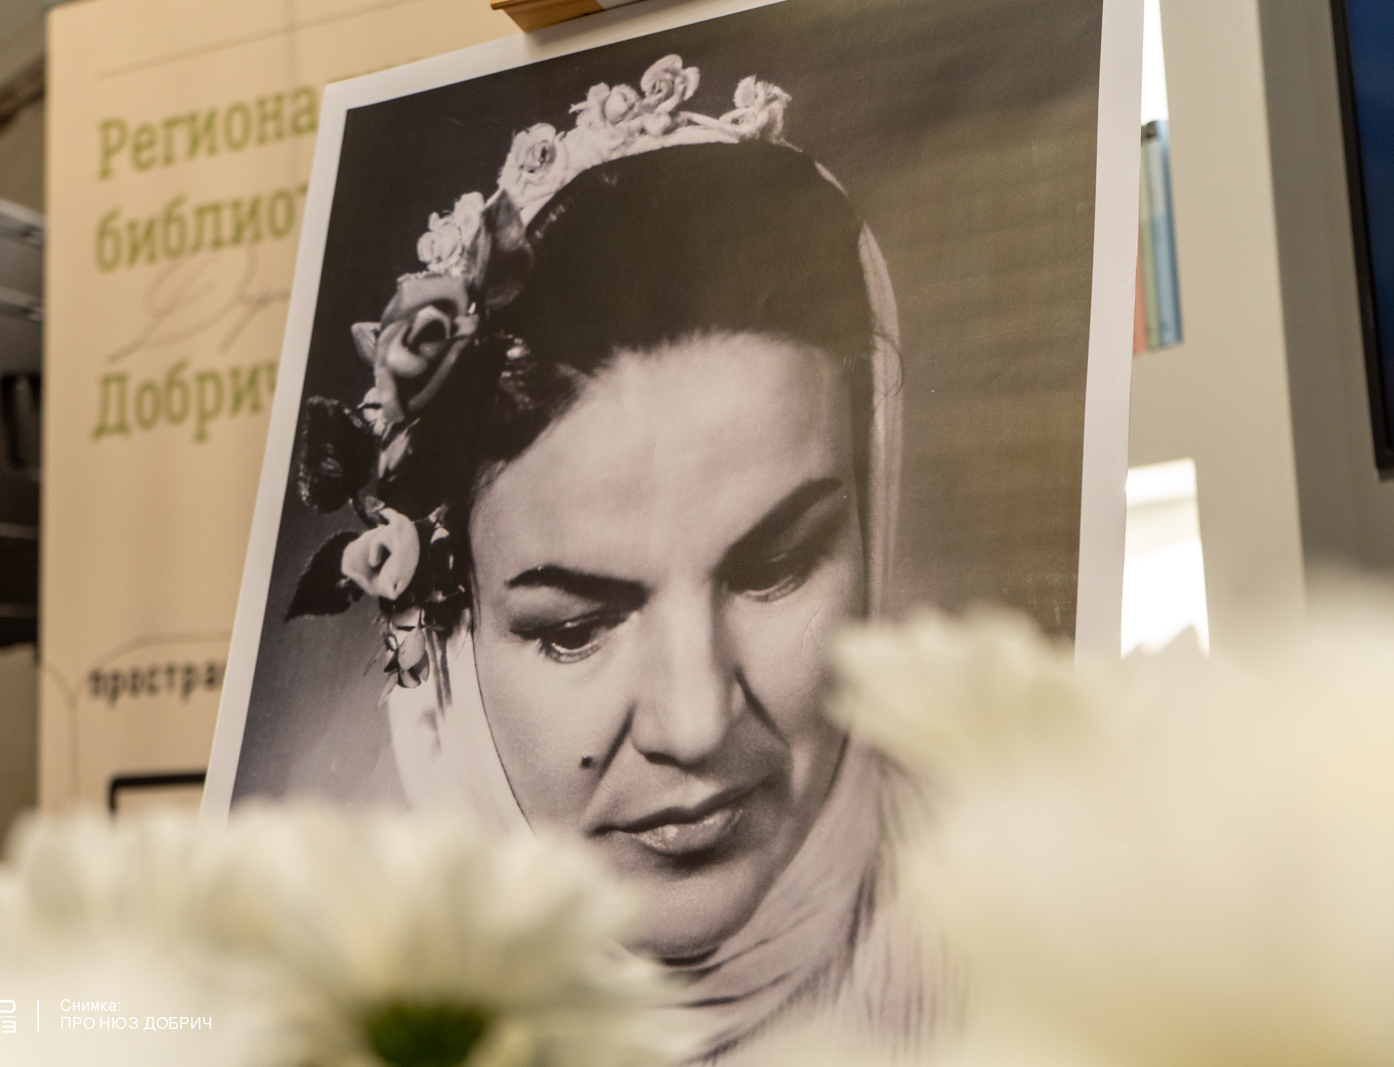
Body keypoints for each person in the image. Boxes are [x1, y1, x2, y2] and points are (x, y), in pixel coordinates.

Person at [288, 55, 936, 1059]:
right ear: (444, 646)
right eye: (575, 629)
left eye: (774, 568)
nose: (695, 721)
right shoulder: (313, 1013)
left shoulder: (1050, 950)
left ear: (873, 510)